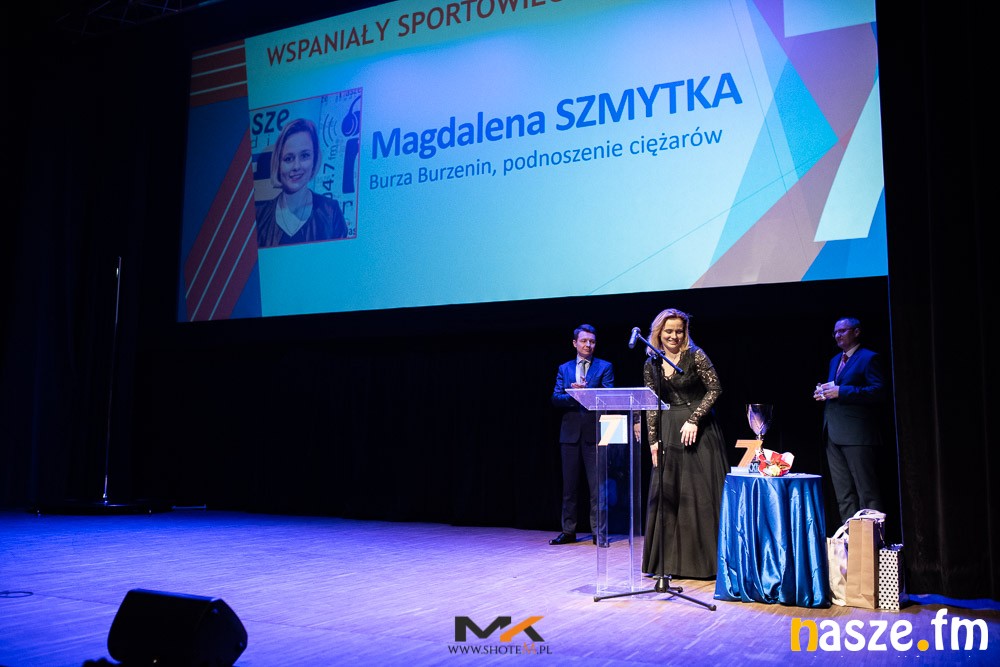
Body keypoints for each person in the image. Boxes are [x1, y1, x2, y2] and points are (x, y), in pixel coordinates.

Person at [641, 308, 728, 579]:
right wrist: (653, 441)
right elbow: (652, 404)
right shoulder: (652, 363)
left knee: (700, 495)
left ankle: (705, 564)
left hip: (698, 430)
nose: (674, 336)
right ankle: (668, 564)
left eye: (679, 331)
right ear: (658, 333)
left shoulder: (695, 355)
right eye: (668, 331)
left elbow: (715, 389)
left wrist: (694, 419)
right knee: (670, 494)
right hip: (669, 429)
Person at [813, 316, 886, 524]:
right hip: (833, 432)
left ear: (856, 332)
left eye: (842, 331)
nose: (837, 336)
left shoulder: (869, 358)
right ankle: (851, 539)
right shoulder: (835, 360)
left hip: (857, 434)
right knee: (843, 493)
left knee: (867, 491)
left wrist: (841, 391)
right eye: (835, 332)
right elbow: (836, 388)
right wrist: (824, 393)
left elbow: (878, 392)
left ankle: (873, 539)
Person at [549, 324, 614, 546]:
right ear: (575, 343)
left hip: (594, 432)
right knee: (569, 487)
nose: (588, 345)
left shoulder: (605, 366)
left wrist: (588, 394)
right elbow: (556, 398)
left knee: (597, 488)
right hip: (569, 435)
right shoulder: (564, 368)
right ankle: (568, 531)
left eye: (592, 341)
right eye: (584, 341)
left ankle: (599, 532)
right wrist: (574, 395)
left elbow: (608, 396)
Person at [255, 117, 349, 247]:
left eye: (304, 156)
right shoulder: (259, 216)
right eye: (288, 158)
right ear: (278, 164)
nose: (296, 166)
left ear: (314, 159)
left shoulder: (331, 212)